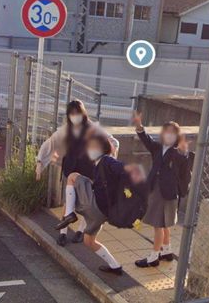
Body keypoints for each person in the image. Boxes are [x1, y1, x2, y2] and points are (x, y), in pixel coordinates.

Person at [55, 134, 145, 275]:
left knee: (72, 177)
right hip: (102, 214)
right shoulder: (100, 163)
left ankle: (69, 215)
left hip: (96, 204)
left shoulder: (106, 160)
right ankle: (115, 266)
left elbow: (124, 168)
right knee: (89, 241)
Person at [36, 100, 119, 247]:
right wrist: (39, 162)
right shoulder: (66, 129)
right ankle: (63, 233)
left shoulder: (92, 128)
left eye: (77, 113)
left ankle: (81, 231)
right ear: (68, 115)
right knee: (69, 202)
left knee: (87, 203)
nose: (75, 116)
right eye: (72, 114)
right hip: (71, 169)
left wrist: (109, 159)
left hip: (89, 170)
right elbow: (51, 142)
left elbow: (113, 142)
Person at [132, 112, 189, 268]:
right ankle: (167, 251)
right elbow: (146, 140)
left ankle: (153, 257)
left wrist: (184, 151)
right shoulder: (158, 148)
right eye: (167, 132)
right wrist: (139, 126)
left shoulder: (177, 153)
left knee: (158, 224)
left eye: (172, 133)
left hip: (168, 192)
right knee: (163, 224)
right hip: (156, 189)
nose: (169, 135)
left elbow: (184, 166)